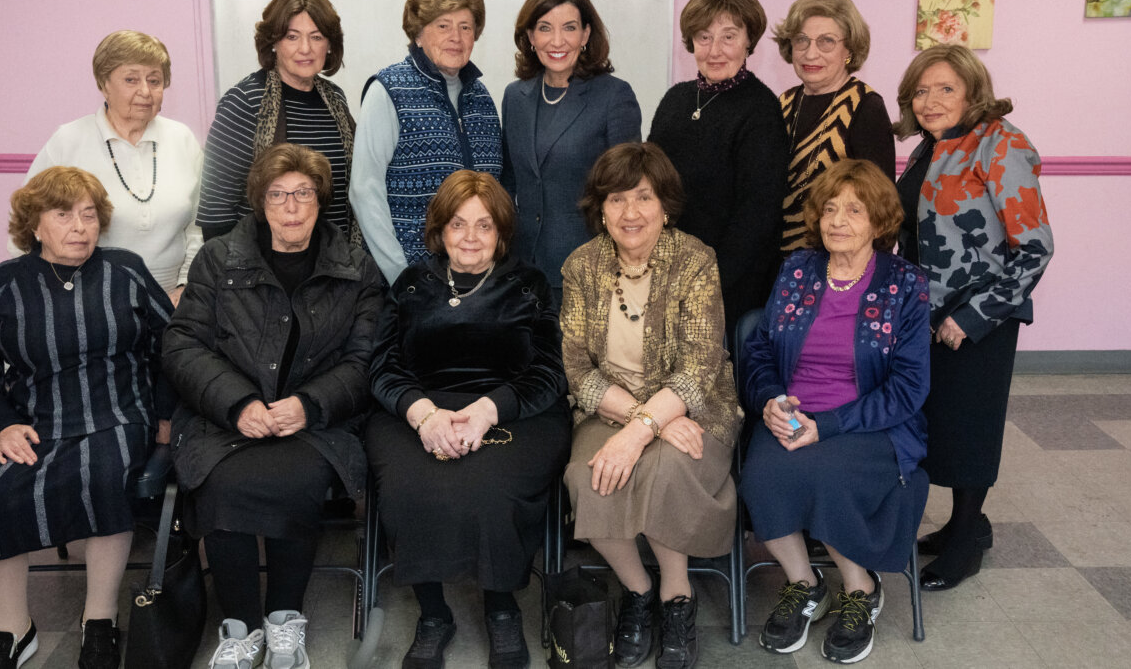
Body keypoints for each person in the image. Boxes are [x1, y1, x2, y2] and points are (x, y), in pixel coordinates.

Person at [163, 144, 383, 668]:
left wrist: (310, 403)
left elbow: (366, 358)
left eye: (303, 194)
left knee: (294, 483)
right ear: (260, 202)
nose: (291, 207)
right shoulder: (219, 258)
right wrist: (236, 403)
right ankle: (239, 628)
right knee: (217, 482)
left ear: (320, 201)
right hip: (225, 418)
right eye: (278, 195)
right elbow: (182, 344)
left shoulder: (355, 267)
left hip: (314, 425)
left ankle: (285, 619)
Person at [0, 166, 173, 669]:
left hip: (119, 409)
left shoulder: (125, 270)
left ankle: (98, 620)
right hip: (38, 416)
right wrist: (3, 424)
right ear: (34, 225)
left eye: (88, 215)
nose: (79, 226)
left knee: (105, 478)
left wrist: (166, 416)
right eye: (63, 215)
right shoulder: (4, 283)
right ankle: (12, 630)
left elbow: (175, 347)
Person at [366, 170, 570, 669]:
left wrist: (487, 409)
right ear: (439, 229)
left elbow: (549, 371)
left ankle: (501, 608)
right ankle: (433, 614)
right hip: (416, 408)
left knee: (490, 486)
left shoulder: (530, 284)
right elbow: (382, 365)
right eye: (458, 225)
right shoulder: (411, 283)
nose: (471, 238)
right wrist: (424, 414)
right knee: (409, 485)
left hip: (515, 408)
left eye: (484, 225)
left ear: (502, 231)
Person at [740, 159, 930, 664]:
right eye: (829, 209)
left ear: (878, 220)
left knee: (827, 476)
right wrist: (770, 401)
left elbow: (910, 388)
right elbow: (759, 350)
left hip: (869, 423)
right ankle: (805, 584)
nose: (838, 221)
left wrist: (828, 426)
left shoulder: (905, 284)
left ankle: (860, 589)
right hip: (793, 414)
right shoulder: (797, 269)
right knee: (761, 475)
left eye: (854, 209)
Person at [561, 143, 740, 669]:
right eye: (617, 199)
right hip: (609, 408)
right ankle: (639, 590)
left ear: (666, 204)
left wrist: (645, 428)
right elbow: (576, 368)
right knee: (586, 475)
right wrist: (643, 422)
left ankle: (675, 595)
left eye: (644, 197)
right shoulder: (582, 266)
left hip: (695, 408)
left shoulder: (695, 260)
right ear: (601, 207)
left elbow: (701, 364)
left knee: (662, 471)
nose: (631, 213)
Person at [893, 44, 1053, 592]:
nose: (931, 100)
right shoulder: (928, 148)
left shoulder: (1000, 144)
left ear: (972, 92)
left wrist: (974, 316)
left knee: (971, 429)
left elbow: (1034, 248)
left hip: (977, 318)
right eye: (921, 90)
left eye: (945, 89)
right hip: (925, 315)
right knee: (940, 423)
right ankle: (966, 523)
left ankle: (965, 542)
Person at [17, 30, 203, 305]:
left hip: (171, 301)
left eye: (155, 81)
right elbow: (26, 223)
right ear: (104, 84)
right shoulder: (69, 140)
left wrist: (186, 286)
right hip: (86, 302)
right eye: (131, 79)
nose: (145, 91)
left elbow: (199, 226)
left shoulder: (182, 139)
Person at [648, 0, 789, 329]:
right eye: (704, 36)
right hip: (665, 273)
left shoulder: (761, 108)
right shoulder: (675, 100)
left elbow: (756, 217)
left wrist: (704, 286)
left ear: (748, 41)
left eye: (729, 36)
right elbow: (648, 186)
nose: (715, 50)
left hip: (728, 287)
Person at [351, 0, 502, 284]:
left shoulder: (482, 98)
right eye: (443, 26)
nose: (456, 38)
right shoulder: (388, 90)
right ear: (418, 34)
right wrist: (401, 278)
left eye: (465, 27)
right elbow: (365, 192)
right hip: (409, 280)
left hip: (477, 280)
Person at [500, 0, 641, 306]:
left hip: (588, 275)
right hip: (521, 273)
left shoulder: (613, 96)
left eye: (570, 27)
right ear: (531, 37)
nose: (557, 40)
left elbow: (627, 193)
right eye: (545, 28)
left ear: (586, 35)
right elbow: (508, 182)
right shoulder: (514, 96)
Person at [197, 0, 361, 245]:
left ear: (330, 44)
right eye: (292, 37)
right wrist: (232, 275)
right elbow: (215, 210)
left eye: (316, 37)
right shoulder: (245, 101)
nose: (305, 48)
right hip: (263, 270)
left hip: (336, 267)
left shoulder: (336, 100)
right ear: (273, 42)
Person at [770, 0, 896, 252]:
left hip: (837, 264)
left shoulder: (865, 106)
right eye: (801, 40)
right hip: (776, 263)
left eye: (826, 41)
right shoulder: (783, 103)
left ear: (849, 51)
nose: (811, 53)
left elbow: (880, 207)